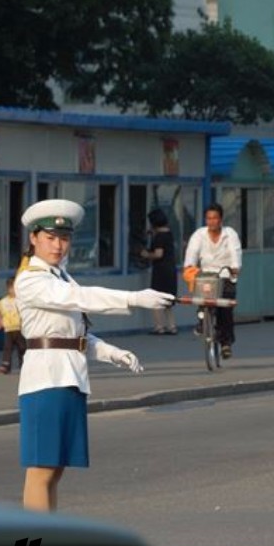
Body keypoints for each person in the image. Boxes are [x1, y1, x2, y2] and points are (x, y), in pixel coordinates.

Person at [15, 198, 174, 512]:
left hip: (69, 377)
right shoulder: (31, 279)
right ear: (34, 238)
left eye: (64, 238)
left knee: (55, 470)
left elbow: (74, 334)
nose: (58, 246)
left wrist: (112, 353)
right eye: (50, 238)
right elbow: (81, 298)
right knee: (41, 471)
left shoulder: (61, 276)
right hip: (44, 380)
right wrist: (134, 298)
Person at [182, 203, 243, 358]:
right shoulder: (199, 235)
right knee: (202, 297)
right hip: (206, 276)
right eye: (209, 218)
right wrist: (189, 265)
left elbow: (235, 252)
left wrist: (235, 267)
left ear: (221, 219)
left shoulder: (230, 234)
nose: (212, 221)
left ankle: (226, 343)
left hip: (225, 275)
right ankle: (202, 320)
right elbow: (192, 253)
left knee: (225, 309)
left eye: (215, 218)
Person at [140, 208, 178, 335]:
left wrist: (146, 254)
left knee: (156, 299)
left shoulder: (159, 237)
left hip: (161, 271)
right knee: (168, 301)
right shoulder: (169, 234)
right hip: (171, 270)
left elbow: (158, 254)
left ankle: (159, 326)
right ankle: (172, 326)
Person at [0, 275, 26, 374]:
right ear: (8, 288)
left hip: (20, 327)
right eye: (12, 288)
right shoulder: (3, 301)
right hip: (8, 328)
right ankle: (6, 364)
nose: (14, 290)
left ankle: (24, 364)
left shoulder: (21, 301)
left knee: (22, 347)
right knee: (7, 347)